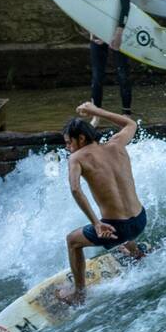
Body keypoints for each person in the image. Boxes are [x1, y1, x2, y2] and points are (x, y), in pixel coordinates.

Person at [58, 107, 146, 307]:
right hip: (140, 220)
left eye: (68, 143)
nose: (68, 149)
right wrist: (96, 110)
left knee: (72, 240)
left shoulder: (77, 158)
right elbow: (131, 123)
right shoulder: (116, 144)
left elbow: (75, 189)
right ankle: (136, 253)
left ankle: (78, 294)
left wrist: (96, 223)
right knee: (122, 221)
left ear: (80, 139)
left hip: (117, 229)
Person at [87, 0, 133, 116]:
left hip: (117, 31)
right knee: (97, 75)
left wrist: (119, 31)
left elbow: (125, 5)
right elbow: (85, 7)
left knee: (122, 73)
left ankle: (126, 114)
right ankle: (96, 115)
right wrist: (92, 29)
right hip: (98, 31)